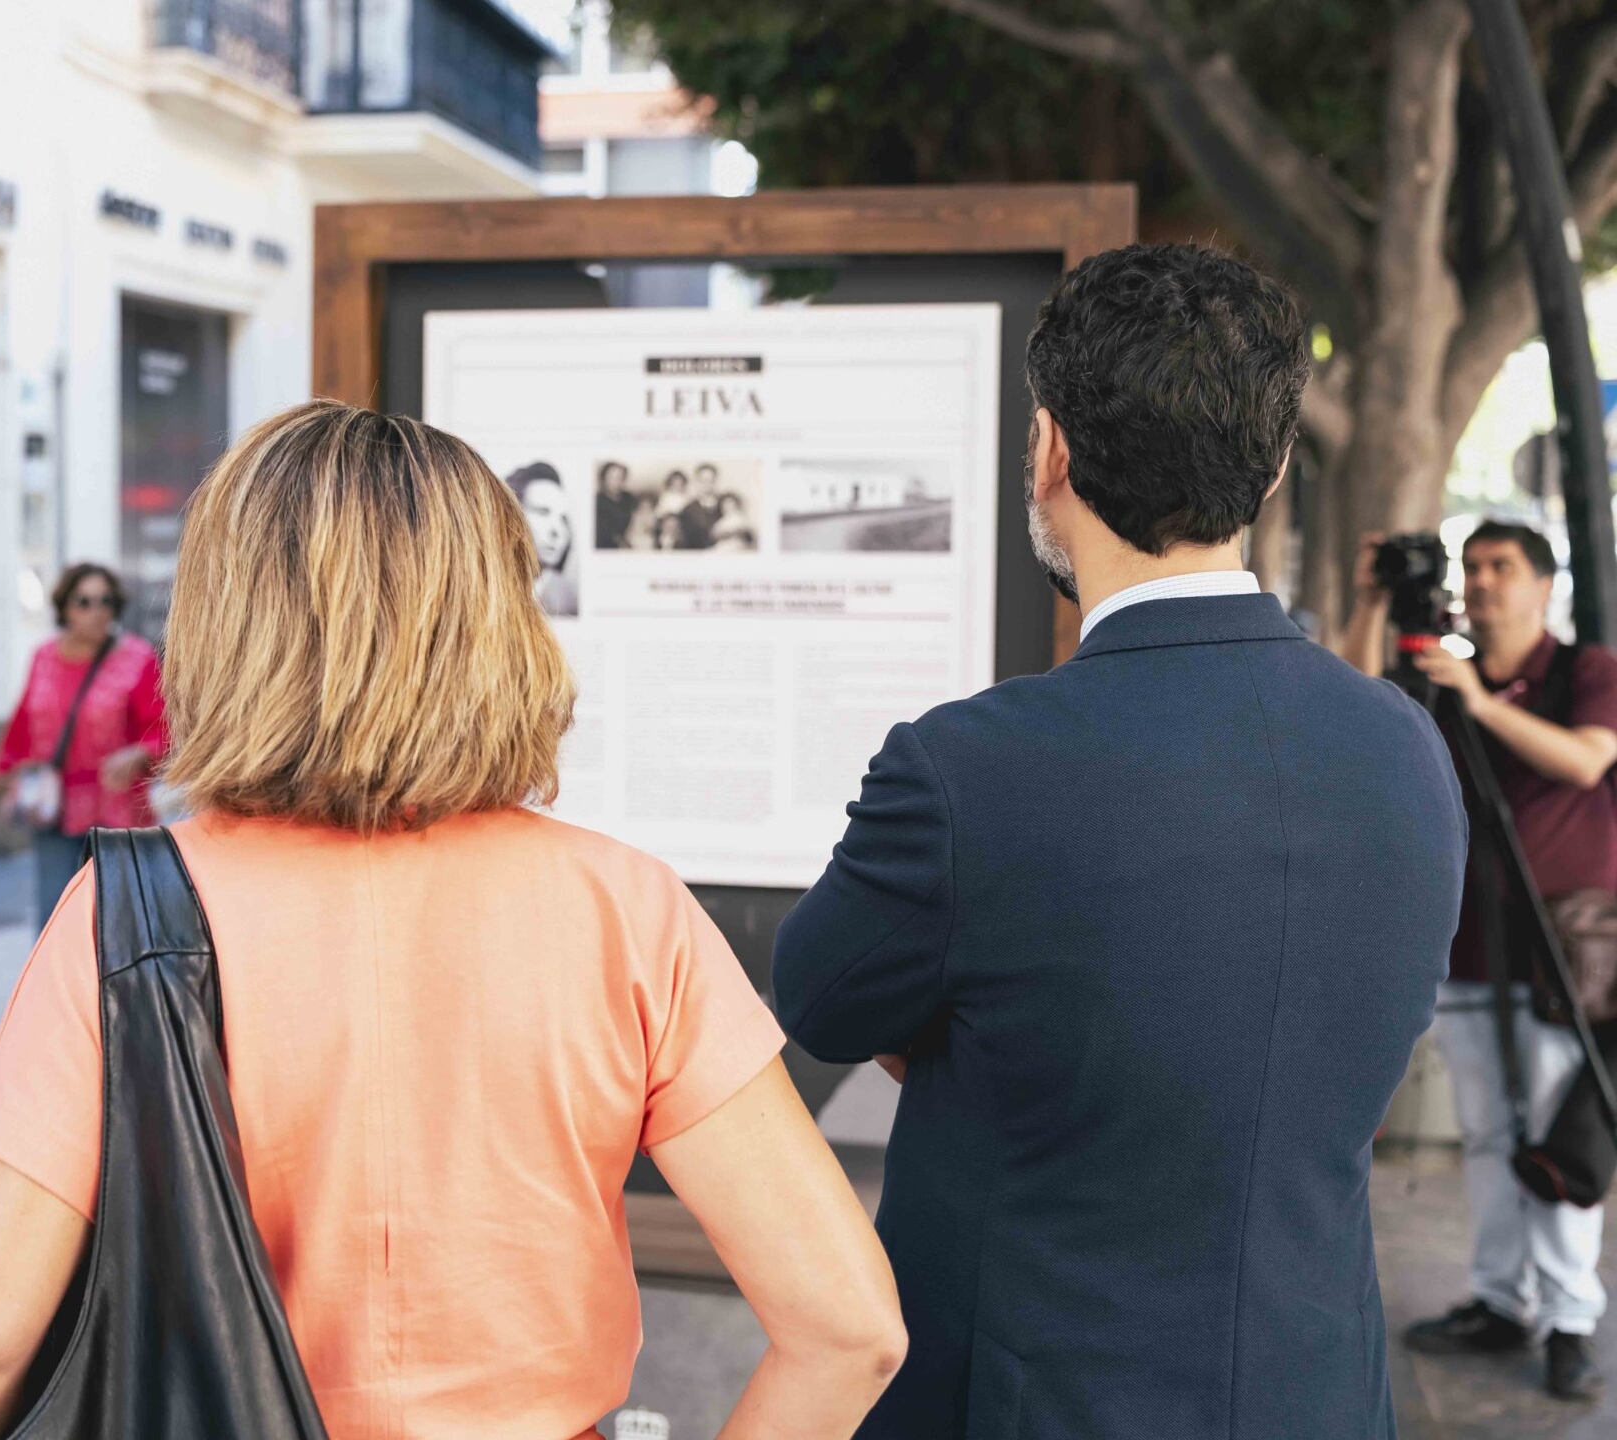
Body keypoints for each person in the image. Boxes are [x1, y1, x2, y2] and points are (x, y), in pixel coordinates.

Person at [0, 401, 906, 1440]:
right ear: (500, 619)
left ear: (228, 622)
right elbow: (848, 1331)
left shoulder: (128, 912)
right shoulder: (628, 909)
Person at [774, 243, 1466, 1438]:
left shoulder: (967, 769)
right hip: (1316, 1397)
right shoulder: (1406, 751)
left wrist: (954, 1027)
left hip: (1025, 1403)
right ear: (1274, 467)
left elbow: (820, 1000)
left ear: (1050, 448)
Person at [1346, 522, 1617, 1400]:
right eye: (1476, 568)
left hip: (1563, 955)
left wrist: (1482, 699)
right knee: (1492, 1138)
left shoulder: (1587, 673)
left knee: (1560, 1146)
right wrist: (1371, 601)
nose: (1486, 583)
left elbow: (1584, 762)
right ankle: (1503, 1300)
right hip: (1466, 946)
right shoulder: (1438, 678)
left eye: (1504, 568)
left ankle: (1572, 1318)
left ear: (1544, 587)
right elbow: (1353, 707)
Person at [0, 562, 166, 926]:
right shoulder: (44, 659)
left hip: (119, 817)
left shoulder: (137, 659)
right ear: (64, 607)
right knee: (55, 921)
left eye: (106, 601)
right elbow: (18, 739)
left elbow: (164, 729)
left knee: (118, 926)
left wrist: (138, 753)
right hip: (53, 811)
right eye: (85, 602)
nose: (97, 612)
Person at [505, 460, 580, 616]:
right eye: (543, 512)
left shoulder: (569, 601)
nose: (557, 530)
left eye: (563, 520)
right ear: (511, 516)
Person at [679, 462, 725, 550]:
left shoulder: (725, 505)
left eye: (711, 480)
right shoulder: (688, 510)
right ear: (697, 482)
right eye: (703, 481)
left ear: (716, 481)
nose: (707, 484)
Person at [594, 459, 636, 550]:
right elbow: (604, 533)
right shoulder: (597, 501)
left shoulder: (628, 497)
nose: (617, 481)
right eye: (612, 477)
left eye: (620, 477)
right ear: (603, 478)